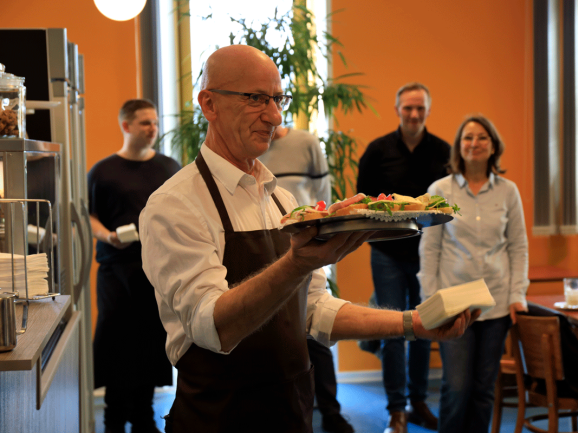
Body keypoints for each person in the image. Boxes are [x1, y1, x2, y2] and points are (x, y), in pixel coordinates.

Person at [139, 45, 478, 433]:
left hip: (291, 412)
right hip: (218, 416)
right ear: (209, 104)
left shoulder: (282, 199)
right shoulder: (175, 205)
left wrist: (413, 323)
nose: (274, 116)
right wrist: (298, 262)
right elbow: (212, 328)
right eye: (256, 99)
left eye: (277, 99)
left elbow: (315, 310)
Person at [417, 114, 529, 433]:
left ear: (493, 146)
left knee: (483, 389)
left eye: (482, 137)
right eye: (468, 137)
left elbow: (518, 247)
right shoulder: (439, 190)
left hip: (497, 302)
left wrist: (518, 295)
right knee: (456, 386)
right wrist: (430, 301)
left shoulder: (508, 192)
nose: (474, 143)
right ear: (458, 146)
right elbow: (430, 249)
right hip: (452, 303)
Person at [356, 82, 451, 433]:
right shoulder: (377, 151)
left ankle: (418, 402)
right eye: (408, 108)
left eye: (420, 109)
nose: (414, 114)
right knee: (393, 329)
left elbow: (449, 207)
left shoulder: (444, 151)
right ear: (397, 109)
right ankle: (396, 409)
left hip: (430, 255)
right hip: (387, 254)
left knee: (425, 329)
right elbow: (363, 204)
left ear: (427, 110)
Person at [88, 99, 181, 433]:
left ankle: (143, 417)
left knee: (150, 341)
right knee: (116, 340)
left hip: (157, 270)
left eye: (154, 122)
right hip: (115, 269)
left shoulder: (170, 168)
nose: (152, 128)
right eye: (144, 123)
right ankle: (114, 419)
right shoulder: (102, 171)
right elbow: (89, 216)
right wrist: (107, 236)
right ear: (126, 126)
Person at [259, 125, 354, 433]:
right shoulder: (249, 146)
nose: (269, 113)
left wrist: (319, 234)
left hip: (305, 242)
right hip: (262, 247)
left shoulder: (307, 143)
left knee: (317, 331)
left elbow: (323, 197)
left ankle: (330, 411)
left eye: (275, 99)